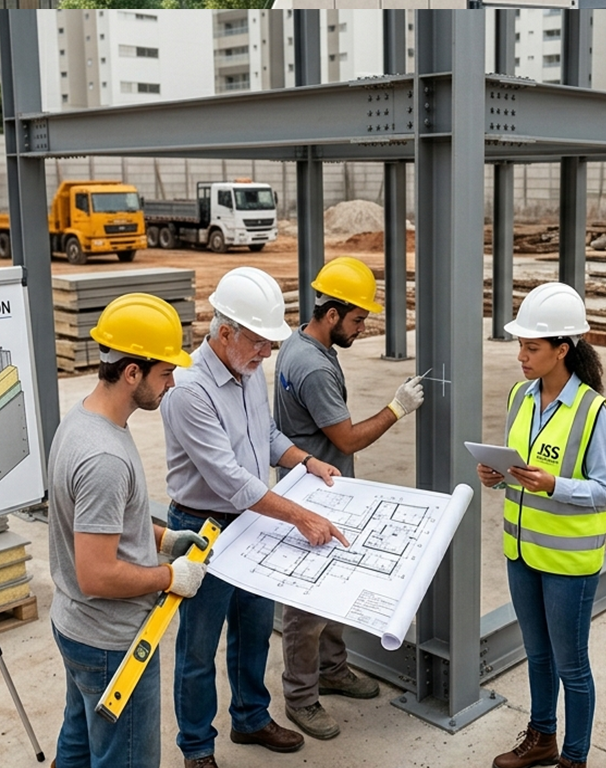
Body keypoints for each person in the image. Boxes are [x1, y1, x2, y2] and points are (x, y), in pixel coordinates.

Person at [162, 266, 352, 768]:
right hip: (202, 527)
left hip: (249, 520)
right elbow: (229, 479)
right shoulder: (189, 390)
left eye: (270, 343)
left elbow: (264, 438)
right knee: (198, 648)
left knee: (252, 629)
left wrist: (307, 461)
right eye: (259, 343)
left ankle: (249, 718)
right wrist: (298, 515)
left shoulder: (248, 370)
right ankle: (198, 747)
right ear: (225, 333)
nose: (267, 353)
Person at [47, 294, 207, 768]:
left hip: (75, 627)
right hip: (110, 644)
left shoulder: (83, 421)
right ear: (132, 372)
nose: (172, 383)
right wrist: (168, 577)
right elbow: (97, 574)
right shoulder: (105, 458)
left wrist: (162, 539)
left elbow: (100, 523)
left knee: (77, 744)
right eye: (165, 373)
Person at [273, 256, 424, 740]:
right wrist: (397, 408)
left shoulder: (304, 344)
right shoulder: (312, 366)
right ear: (332, 314)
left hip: (326, 487)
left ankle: (333, 669)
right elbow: (348, 439)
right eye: (358, 319)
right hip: (313, 492)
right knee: (306, 604)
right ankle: (301, 697)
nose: (362, 328)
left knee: (332, 587)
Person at [479, 282, 606, 768]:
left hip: (568, 565)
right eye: (519, 344)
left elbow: (604, 490)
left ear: (562, 350)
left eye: (531, 347)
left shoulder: (594, 411)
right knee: (537, 656)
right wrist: (495, 478)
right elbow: (519, 472)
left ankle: (574, 758)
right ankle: (542, 738)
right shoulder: (520, 396)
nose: (521, 355)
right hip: (521, 554)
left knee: (571, 666)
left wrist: (554, 485)